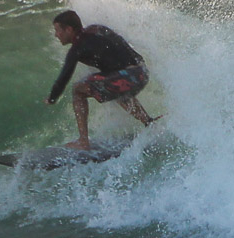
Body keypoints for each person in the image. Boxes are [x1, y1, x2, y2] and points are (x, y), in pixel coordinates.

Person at [44, 11, 158, 151]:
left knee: (78, 90)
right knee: (116, 89)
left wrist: (52, 98)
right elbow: (121, 43)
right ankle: (149, 122)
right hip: (141, 72)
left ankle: (83, 141)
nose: (56, 35)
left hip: (128, 76)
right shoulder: (97, 29)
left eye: (58, 30)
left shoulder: (77, 48)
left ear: (69, 29)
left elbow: (64, 76)